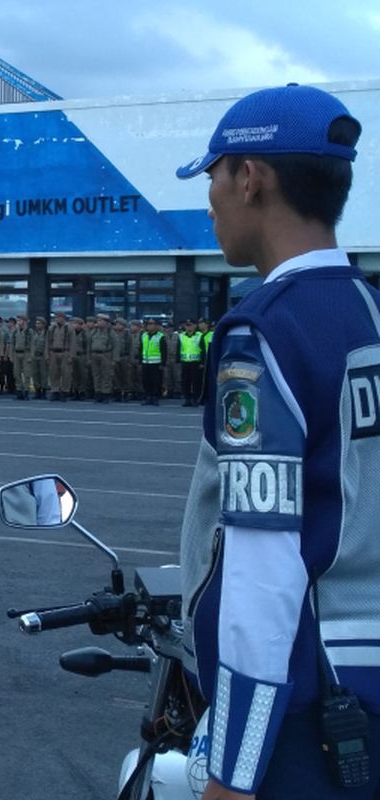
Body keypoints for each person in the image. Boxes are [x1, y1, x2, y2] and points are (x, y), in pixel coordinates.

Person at [176, 84, 379, 799]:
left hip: (310, 708)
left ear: (251, 178)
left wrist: (233, 771)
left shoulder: (264, 332)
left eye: (214, 176)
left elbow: (263, 573)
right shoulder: (367, 311)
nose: (211, 201)